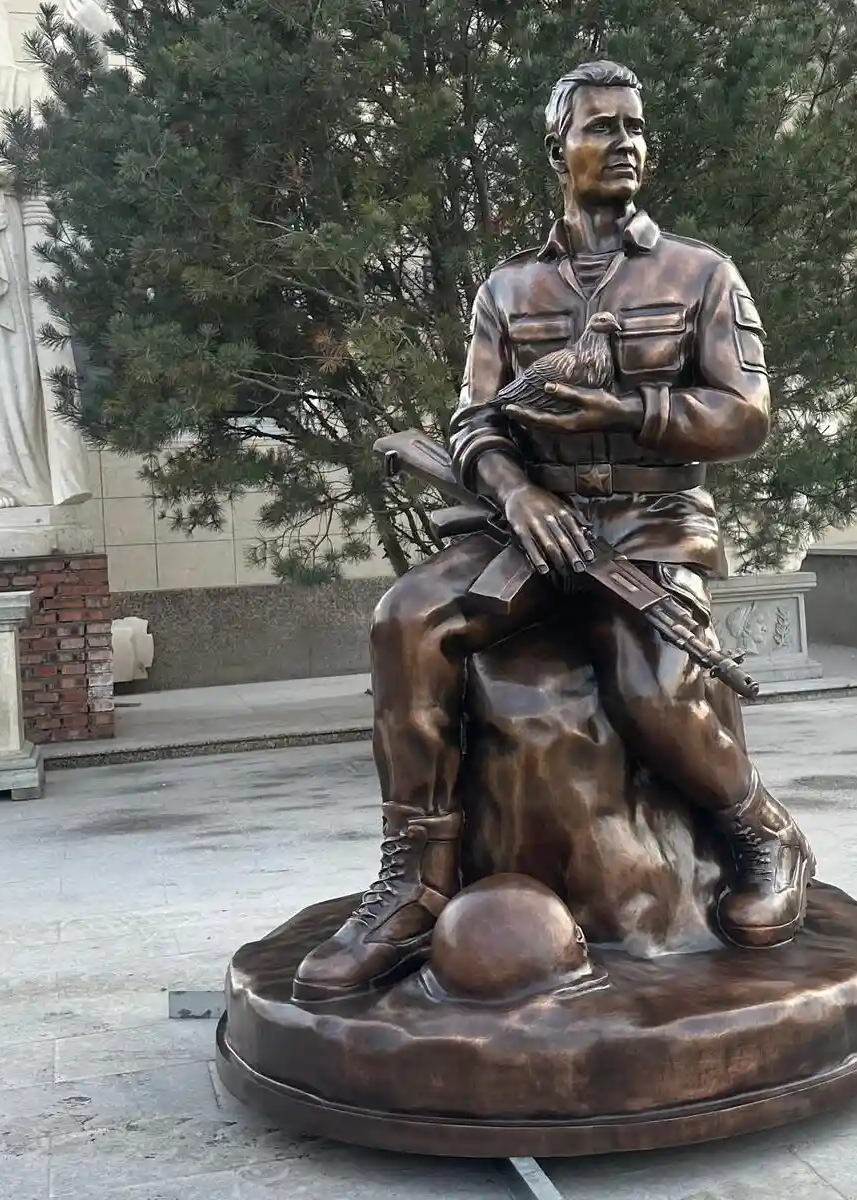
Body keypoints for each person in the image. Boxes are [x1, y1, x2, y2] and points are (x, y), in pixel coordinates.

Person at [293, 60, 814, 1003]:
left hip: (651, 528)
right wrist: (515, 492)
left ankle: (765, 832)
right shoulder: (507, 290)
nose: (624, 143)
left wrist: (632, 408)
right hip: (532, 526)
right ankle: (413, 884)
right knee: (406, 619)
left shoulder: (702, 274)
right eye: (601, 127)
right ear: (556, 148)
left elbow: (747, 416)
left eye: (635, 127)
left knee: (649, 686)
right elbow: (471, 420)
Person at [0, 0, 91, 510]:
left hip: (1, 228)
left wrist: (69, 35)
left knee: (6, 357)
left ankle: (4, 476)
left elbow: (56, 120)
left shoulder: (7, 88)